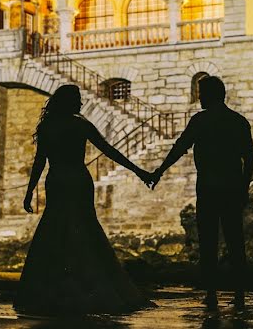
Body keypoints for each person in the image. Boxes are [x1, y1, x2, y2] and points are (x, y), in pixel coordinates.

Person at [14, 84, 155, 316]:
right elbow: (109, 151)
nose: (80, 103)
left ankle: (49, 291)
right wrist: (140, 172)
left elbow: (40, 161)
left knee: (55, 229)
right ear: (70, 102)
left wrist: (30, 192)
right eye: (77, 99)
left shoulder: (47, 127)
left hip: (58, 180)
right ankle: (91, 286)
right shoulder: (81, 125)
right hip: (78, 180)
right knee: (85, 229)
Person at [148, 75, 253, 311]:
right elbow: (249, 157)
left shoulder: (200, 121)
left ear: (209, 95)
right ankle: (239, 295)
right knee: (236, 240)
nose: (198, 98)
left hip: (207, 188)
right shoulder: (238, 121)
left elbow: (179, 148)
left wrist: (158, 172)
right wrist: (244, 187)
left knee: (208, 242)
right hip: (231, 187)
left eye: (201, 93)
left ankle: (212, 294)